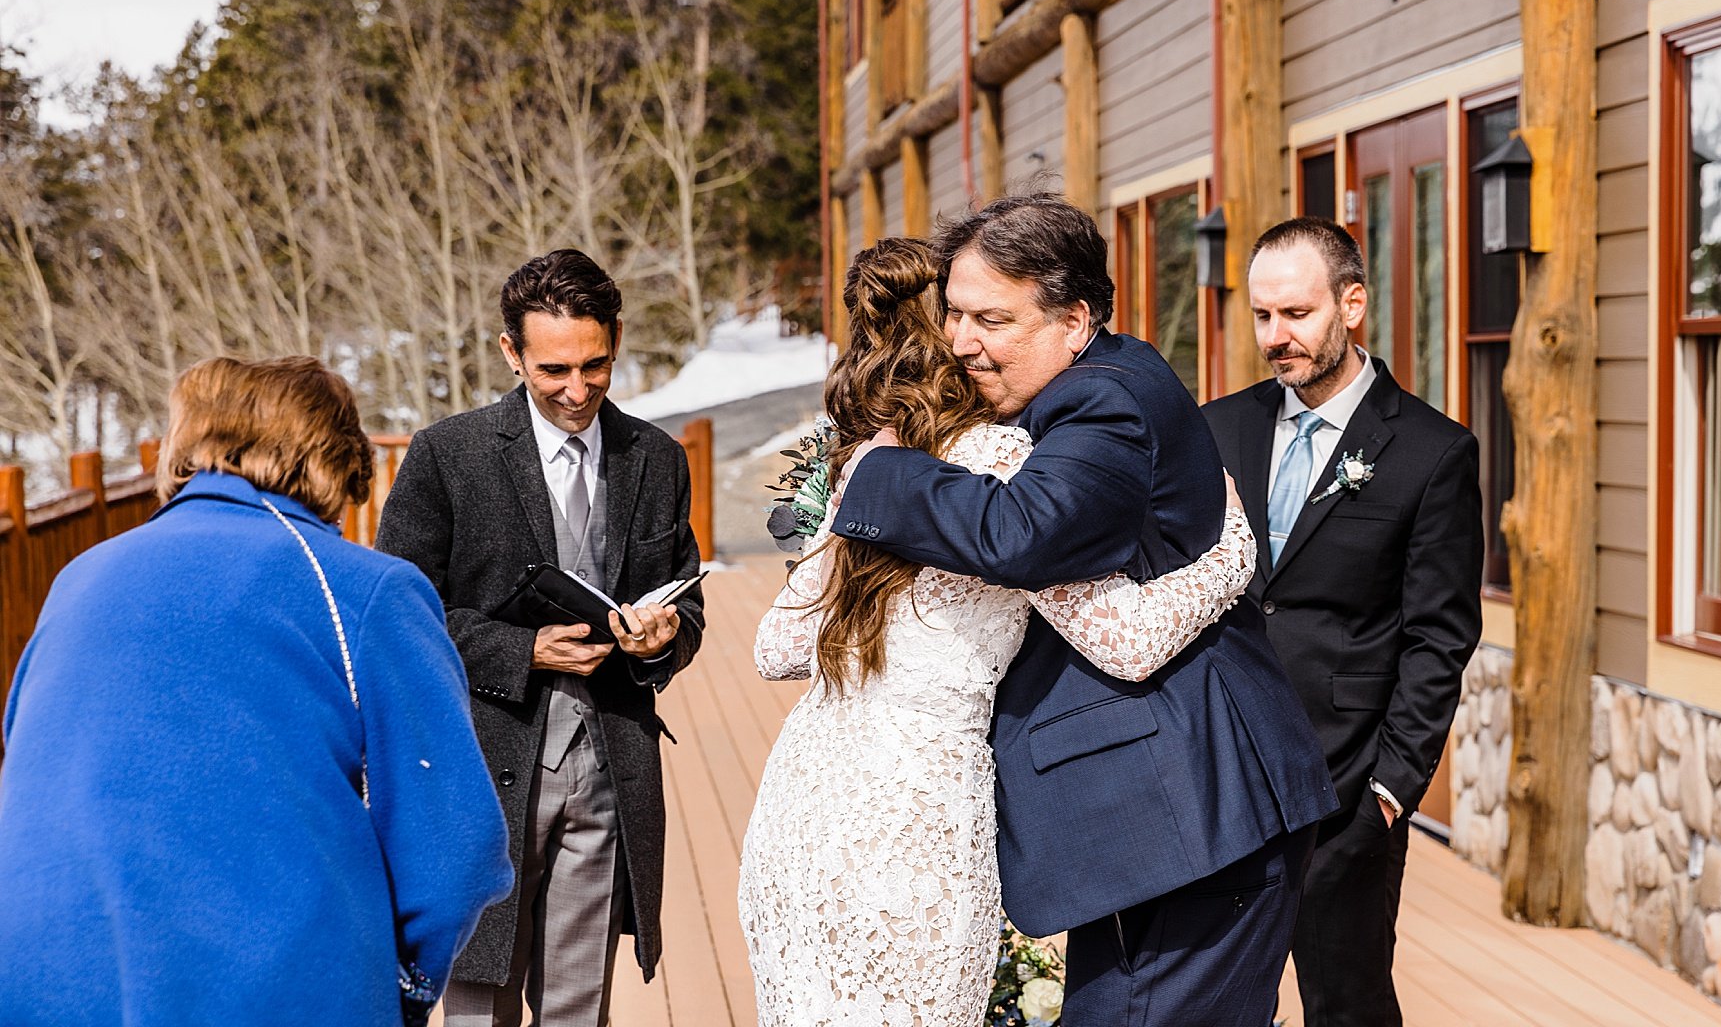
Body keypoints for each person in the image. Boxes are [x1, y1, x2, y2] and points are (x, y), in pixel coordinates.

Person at [831, 194, 1338, 1027]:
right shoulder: (1085, 384)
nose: (962, 341)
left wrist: (877, 472)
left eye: (992, 319)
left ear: (1074, 319)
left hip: (1202, 815)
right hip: (1166, 824)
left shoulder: (1103, 402)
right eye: (955, 314)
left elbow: (1023, 531)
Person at [739, 237, 1261, 1027]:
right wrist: (1231, 554)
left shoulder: (865, 469)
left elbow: (775, 648)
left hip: (806, 802)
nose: (972, 337)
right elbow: (1124, 639)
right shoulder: (1010, 462)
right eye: (963, 317)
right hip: (916, 813)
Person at [0, 356, 512, 1027]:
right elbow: (457, 851)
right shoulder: (362, 591)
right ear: (339, 458)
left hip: (40, 969)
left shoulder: (79, 577)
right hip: (275, 985)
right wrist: (404, 990)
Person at [376, 248, 704, 1027]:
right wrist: (523, 652)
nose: (578, 389)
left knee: (578, 1006)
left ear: (617, 338)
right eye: (553, 369)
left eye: (596, 364)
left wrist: (659, 638)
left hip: (610, 768)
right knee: (476, 1004)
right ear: (510, 353)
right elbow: (397, 619)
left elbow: (687, 606)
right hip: (484, 767)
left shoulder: (655, 457)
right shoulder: (446, 456)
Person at [1201, 217, 1482, 1027]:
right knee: (1211, 998)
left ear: (1351, 305)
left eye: (1296, 314)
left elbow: (1439, 638)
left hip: (1347, 786)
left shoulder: (1433, 452)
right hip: (1221, 772)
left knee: (1346, 1004)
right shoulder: (1220, 428)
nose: (1276, 337)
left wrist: (1391, 792)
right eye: (1262, 317)